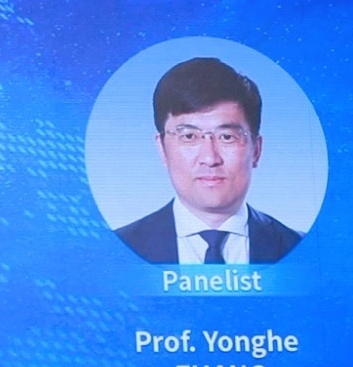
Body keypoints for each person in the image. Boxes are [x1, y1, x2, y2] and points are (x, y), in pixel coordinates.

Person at [116, 54, 301, 265]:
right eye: (189, 136)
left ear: (256, 150)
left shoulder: (300, 249)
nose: (210, 158)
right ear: (162, 148)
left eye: (227, 137)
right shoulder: (118, 251)